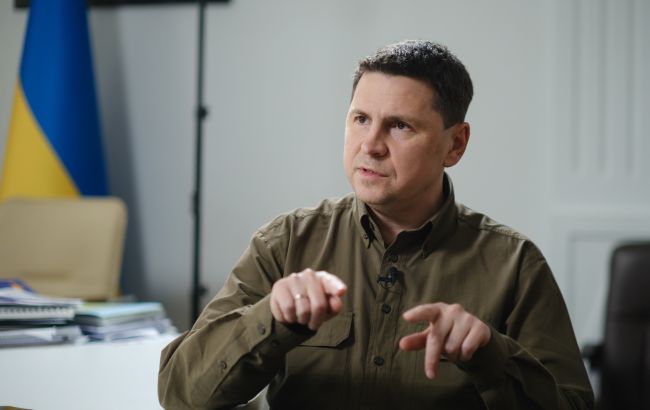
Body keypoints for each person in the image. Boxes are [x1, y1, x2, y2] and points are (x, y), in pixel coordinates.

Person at [158, 40, 594, 409]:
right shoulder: (285, 242)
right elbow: (179, 393)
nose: (370, 145)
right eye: (361, 119)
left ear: (455, 144)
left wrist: (491, 355)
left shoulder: (515, 265)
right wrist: (270, 318)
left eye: (400, 126)